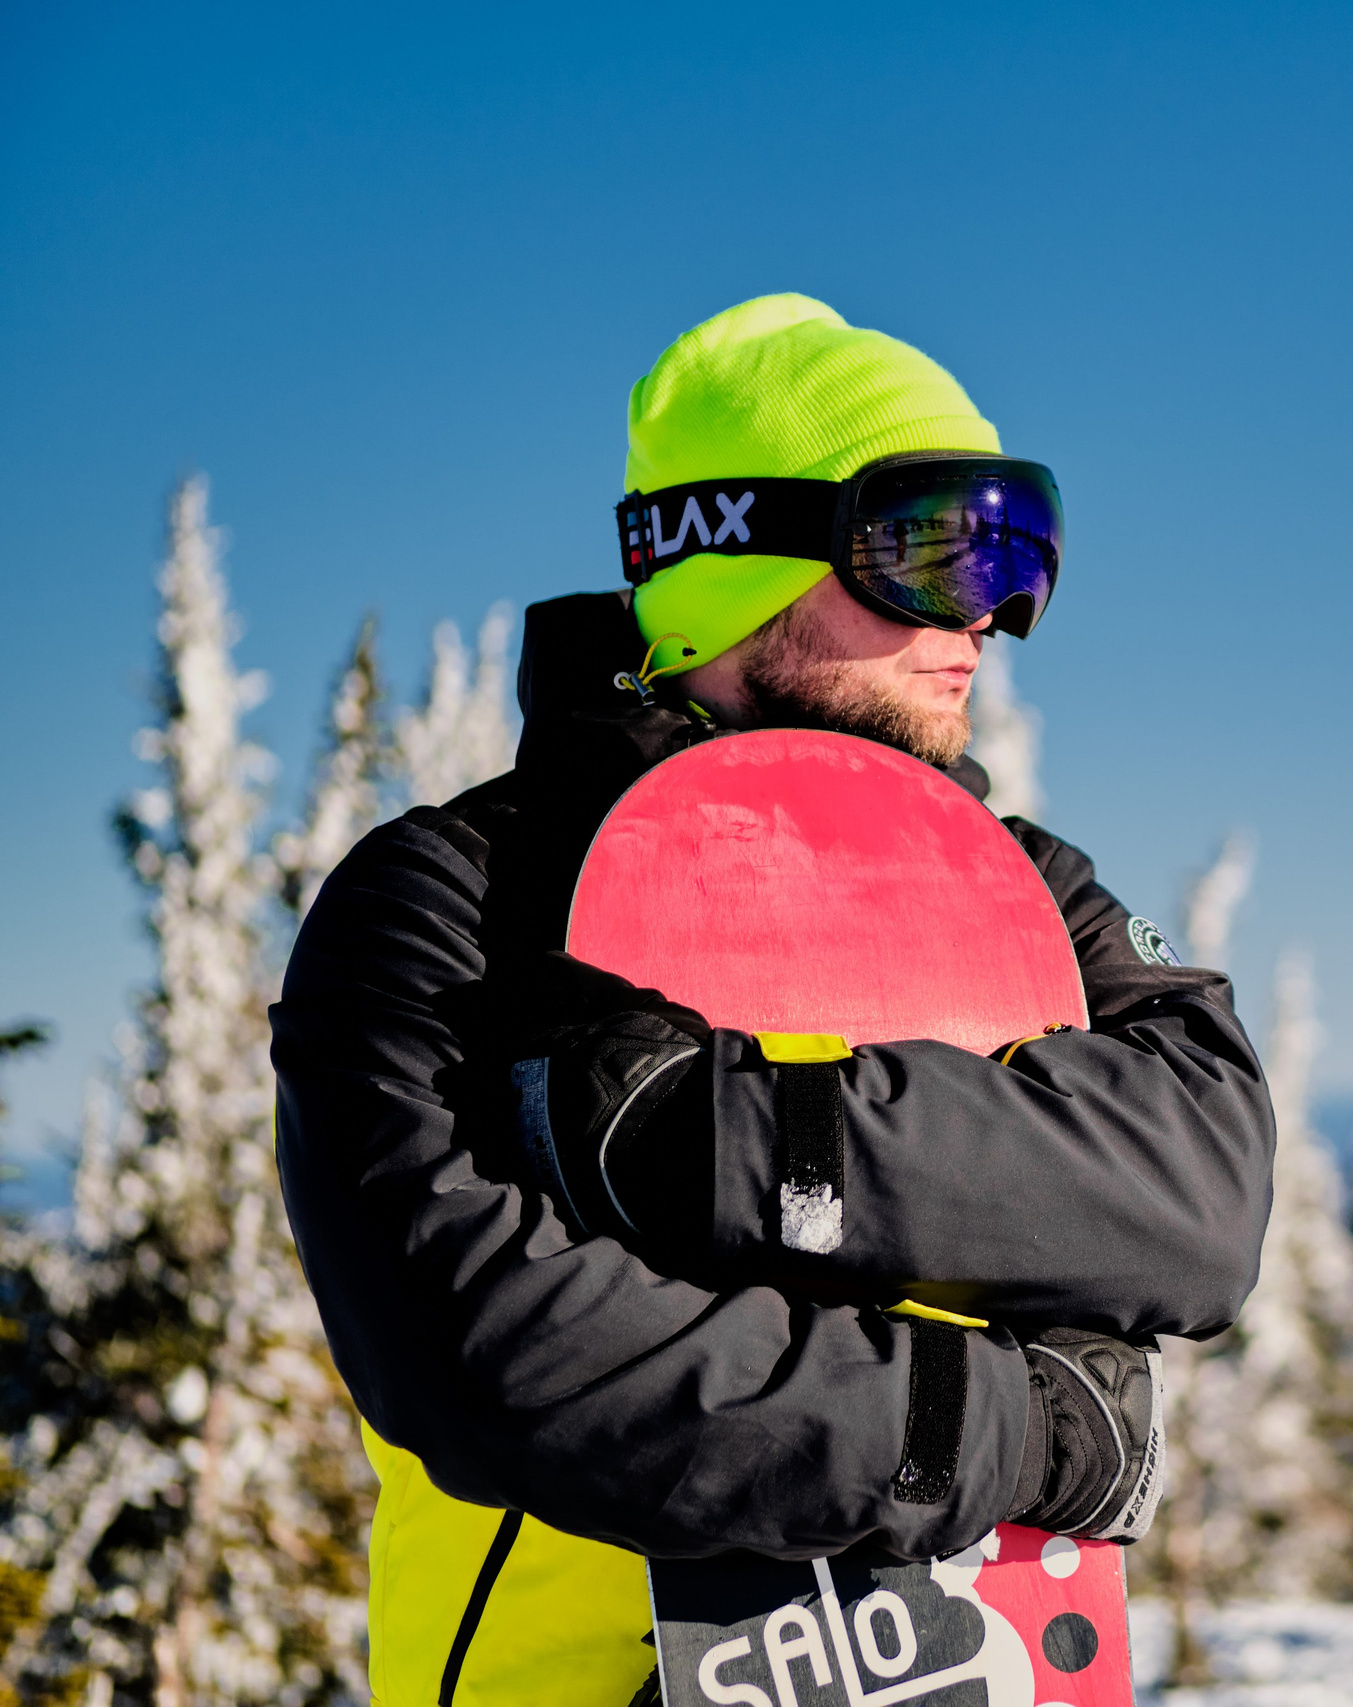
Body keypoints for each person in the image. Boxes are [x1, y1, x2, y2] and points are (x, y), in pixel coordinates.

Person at [272, 294, 1277, 1706]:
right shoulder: (454, 901)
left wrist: (718, 1142)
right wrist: (1021, 1435)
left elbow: (1202, 1190)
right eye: (930, 545)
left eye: (1015, 555)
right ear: (733, 556)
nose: (984, 616)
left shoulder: (1030, 892)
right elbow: (490, 1358)